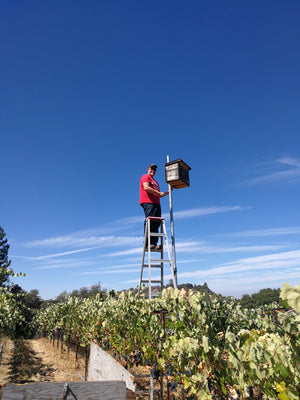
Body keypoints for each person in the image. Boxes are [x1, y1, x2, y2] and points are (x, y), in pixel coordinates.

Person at [140, 163, 169, 250]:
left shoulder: (155, 182)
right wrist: (158, 193)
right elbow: (146, 187)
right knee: (150, 221)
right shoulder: (145, 176)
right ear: (148, 169)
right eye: (151, 168)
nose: (153, 170)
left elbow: (160, 195)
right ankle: (147, 243)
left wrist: (169, 191)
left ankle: (154, 243)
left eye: (154, 169)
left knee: (156, 223)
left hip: (157, 203)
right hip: (148, 202)